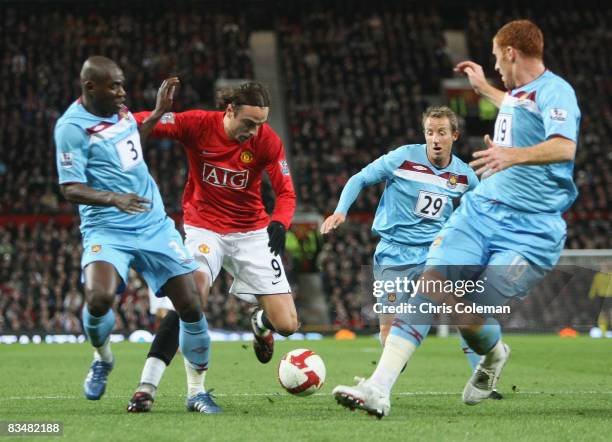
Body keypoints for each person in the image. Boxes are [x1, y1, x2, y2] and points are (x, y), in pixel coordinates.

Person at [333, 19, 581, 417]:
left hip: (530, 229)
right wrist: (484, 89)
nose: (496, 65)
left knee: (471, 312)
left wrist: (510, 155)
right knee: (433, 282)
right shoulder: (518, 96)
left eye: (498, 58)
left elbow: (564, 147)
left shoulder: (556, 92)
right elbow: (517, 109)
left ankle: (494, 355)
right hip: (482, 213)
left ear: (512, 53)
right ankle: (378, 389)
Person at [54, 56, 220, 413]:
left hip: (152, 224)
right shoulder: (71, 128)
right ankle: (103, 358)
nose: (121, 92)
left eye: (122, 84)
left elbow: (131, 146)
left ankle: (197, 393)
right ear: (90, 87)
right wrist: (113, 198)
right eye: (114, 86)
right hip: (106, 226)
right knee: (98, 298)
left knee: (191, 304)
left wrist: (158, 112)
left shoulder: (122, 112)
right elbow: (70, 187)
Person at [126, 82, 297, 413]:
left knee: (288, 325)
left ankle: (261, 323)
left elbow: (286, 192)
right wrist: (118, 121)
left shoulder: (267, 141)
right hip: (205, 229)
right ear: (229, 111)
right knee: (192, 297)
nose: (255, 131)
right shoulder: (198, 124)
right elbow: (143, 122)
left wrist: (280, 222)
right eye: (249, 123)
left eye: (261, 123)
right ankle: (166, 388)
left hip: (252, 233)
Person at [321, 106, 502, 397]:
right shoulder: (402, 158)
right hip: (393, 254)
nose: (435, 138)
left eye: (442, 132)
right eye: (430, 132)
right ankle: (392, 366)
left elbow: (481, 211)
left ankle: (483, 379)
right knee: (388, 333)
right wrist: (340, 211)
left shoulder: (465, 176)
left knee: (460, 309)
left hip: (436, 254)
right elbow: (359, 179)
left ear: (454, 135)